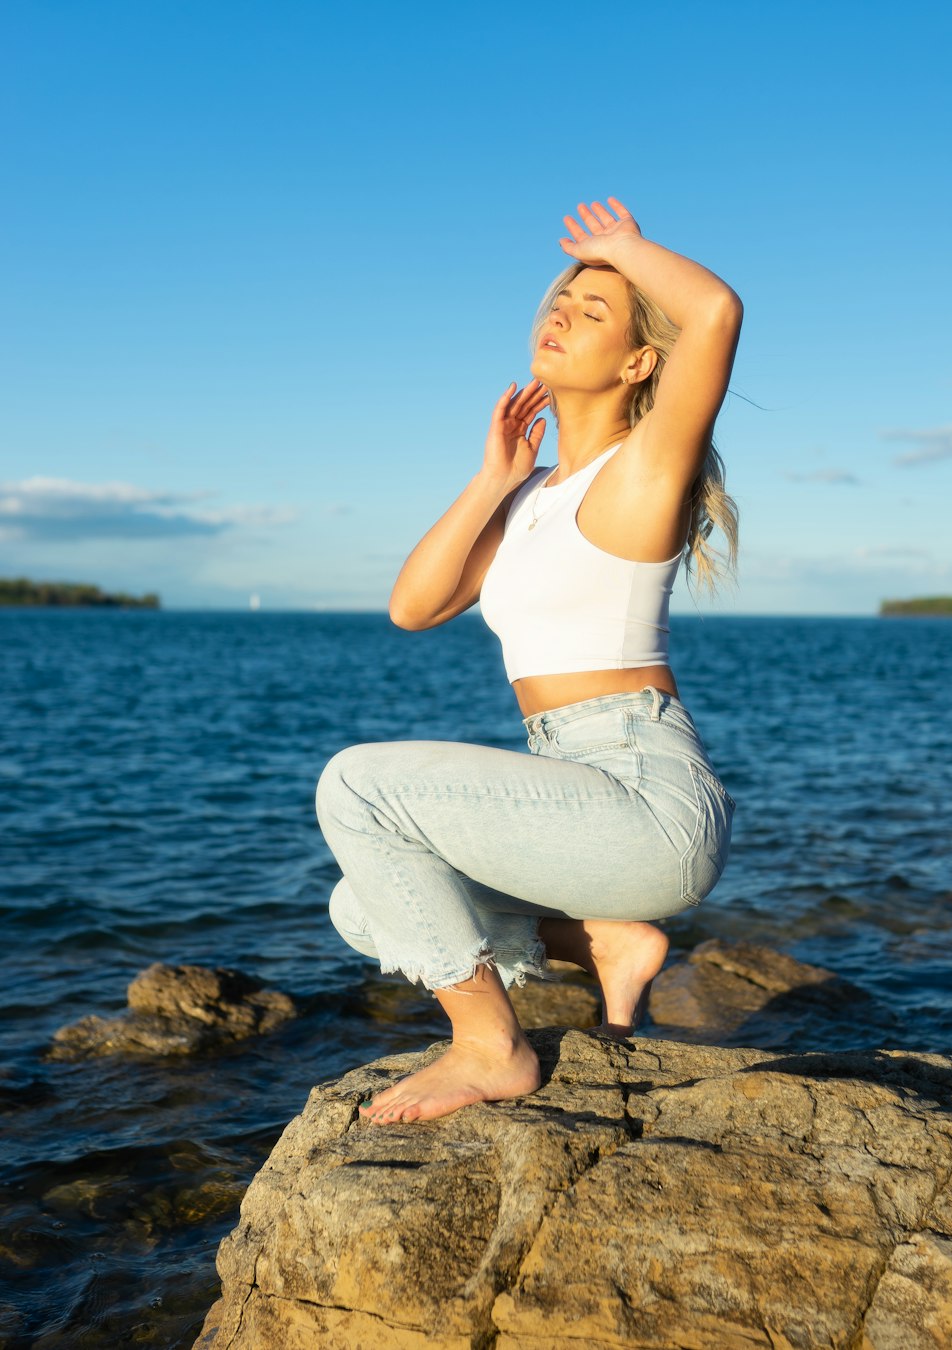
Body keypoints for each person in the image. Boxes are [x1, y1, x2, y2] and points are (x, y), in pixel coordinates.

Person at [316, 197, 742, 1124]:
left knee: (356, 785)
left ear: (639, 363)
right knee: (366, 904)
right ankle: (603, 942)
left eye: (594, 312)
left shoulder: (642, 470)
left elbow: (713, 315)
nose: (562, 314)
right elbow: (413, 607)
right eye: (560, 301)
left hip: (643, 792)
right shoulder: (530, 500)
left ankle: (489, 1047)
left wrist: (622, 249)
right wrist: (493, 480)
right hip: (574, 790)